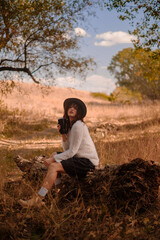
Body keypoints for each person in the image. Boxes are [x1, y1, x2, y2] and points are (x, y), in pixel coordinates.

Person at [19, 98, 99, 207]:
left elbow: (72, 152)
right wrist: (63, 134)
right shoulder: (71, 126)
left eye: (75, 108)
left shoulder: (78, 126)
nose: (71, 109)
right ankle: (59, 193)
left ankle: (38, 199)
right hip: (79, 158)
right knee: (54, 154)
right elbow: (67, 149)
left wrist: (52, 160)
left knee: (53, 166)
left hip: (87, 162)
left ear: (79, 112)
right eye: (70, 107)